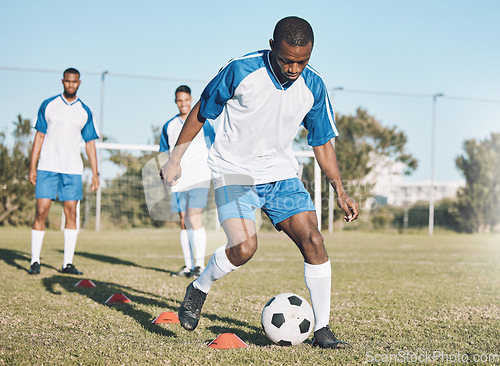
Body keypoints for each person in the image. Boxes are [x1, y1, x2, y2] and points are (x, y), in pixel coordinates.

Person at [161, 16, 359, 349]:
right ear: (272, 47)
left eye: (302, 61)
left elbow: (322, 141)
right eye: (287, 60)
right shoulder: (241, 70)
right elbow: (201, 110)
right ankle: (199, 288)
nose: (294, 68)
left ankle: (322, 329)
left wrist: (340, 189)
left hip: (280, 175)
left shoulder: (314, 85)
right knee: (244, 248)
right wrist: (175, 158)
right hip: (233, 171)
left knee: (314, 240)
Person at [28, 68, 99, 275]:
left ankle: (67, 263)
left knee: (71, 213)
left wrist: (95, 173)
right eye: (67, 81)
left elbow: (90, 143)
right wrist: (32, 166)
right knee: (41, 211)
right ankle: (34, 261)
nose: (70, 84)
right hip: (47, 166)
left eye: (74, 82)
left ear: (79, 83)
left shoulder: (84, 111)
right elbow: (39, 136)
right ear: (62, 81)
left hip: (72, 169)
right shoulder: (48, 105)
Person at [159, 85, 215, 278]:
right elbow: (164, 153)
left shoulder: (203, 122)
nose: (183, 104)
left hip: (199, 175)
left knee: (194, 217)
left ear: (191, 99)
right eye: (179, 101)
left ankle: (199, 266)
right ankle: (187, 266)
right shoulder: (169, 126)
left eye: (186, 100)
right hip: (179, 178)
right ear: (176, 101)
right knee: (183, 220)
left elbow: (214, 146)